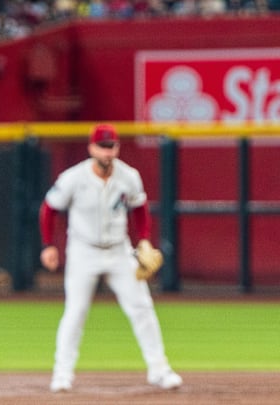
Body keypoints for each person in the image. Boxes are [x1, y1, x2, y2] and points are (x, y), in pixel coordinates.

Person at [39, 123, 182, 393]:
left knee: (142, 308)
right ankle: (62, 374)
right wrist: (48, 245)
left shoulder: (129, 176)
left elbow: (140, 210)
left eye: (112, 146)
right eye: (103, 146)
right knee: (76, 311)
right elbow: (49, 209)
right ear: (91, 148)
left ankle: (159, 370)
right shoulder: (74, 178)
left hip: (118, 250)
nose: (107, 152)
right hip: (83, 251)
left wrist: (143, 241)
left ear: (117, 148)